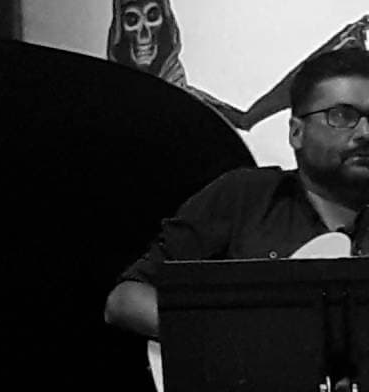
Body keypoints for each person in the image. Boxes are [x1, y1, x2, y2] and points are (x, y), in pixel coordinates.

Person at [103, 47, 369, 341]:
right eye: (343, 115)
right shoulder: (244, 197)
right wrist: (234, 346)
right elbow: (126, 300)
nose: (365, 132)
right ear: (296, 132)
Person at [107, 0, 368, 131]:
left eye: (152, 16)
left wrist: (335, 48)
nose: (143, 34)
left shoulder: (188, 99)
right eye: (132, 20)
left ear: (167, 26)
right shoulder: (107, 99)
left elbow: (247, 119)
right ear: (120, 31)